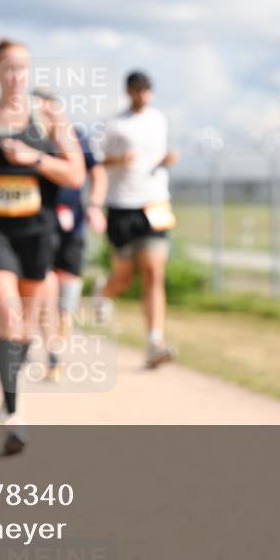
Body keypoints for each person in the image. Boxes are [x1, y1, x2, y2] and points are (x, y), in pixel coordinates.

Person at [0, 39, 85, 454]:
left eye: (23, 67)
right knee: (10, 321)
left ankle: (9, 386)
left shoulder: (49, 115)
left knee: (25, 328)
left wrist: (34, 159)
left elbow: (76, 174)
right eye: (8, 67)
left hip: (36, 231)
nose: (16, 75)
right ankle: (13, 414)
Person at [92, 71, 179, 369]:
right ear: (128, 92)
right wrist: (118, 160)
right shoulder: (114, 123)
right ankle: (104, 291)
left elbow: (158, 154)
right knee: (125, 277)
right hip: (122, 206)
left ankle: (155, 341)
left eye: (147, 90)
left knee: (154, 271)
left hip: (154, 203)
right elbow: (95, 159)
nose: (143, 96)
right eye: (138, 90)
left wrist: (167, 159)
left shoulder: (159, 120)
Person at [41, 121, 107, 382]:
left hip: (74, 226)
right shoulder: (29, 135)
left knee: (68, 289)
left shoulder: (76, 136)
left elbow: (98, 173)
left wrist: (95, 207)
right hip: (40, 224)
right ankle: (51, 351)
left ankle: (58, 349)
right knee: (45, 287)